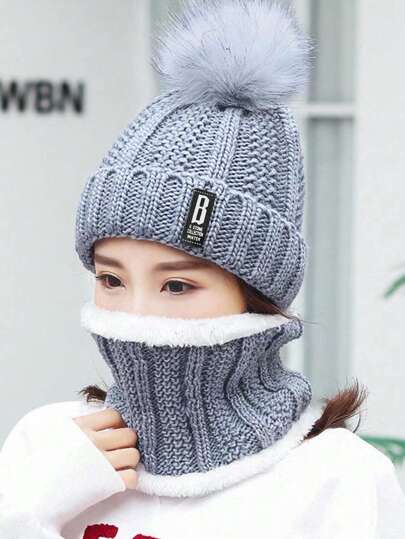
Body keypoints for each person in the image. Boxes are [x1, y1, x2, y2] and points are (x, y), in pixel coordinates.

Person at [1, 0, 405, 537]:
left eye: (177, 285)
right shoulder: (47, 445)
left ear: (255, 295)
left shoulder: (336, 479)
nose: (136, 315)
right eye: (111, 280)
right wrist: (26, 510)